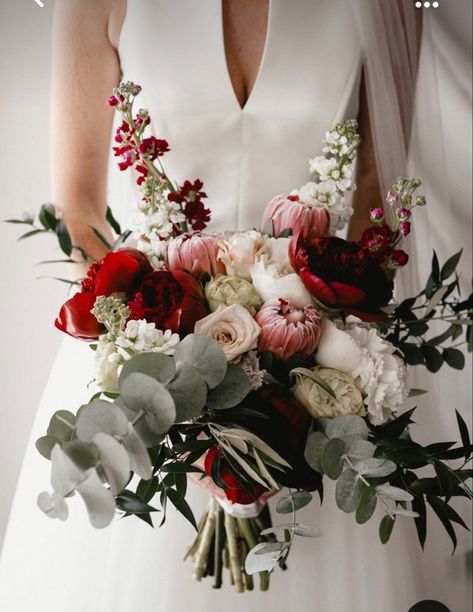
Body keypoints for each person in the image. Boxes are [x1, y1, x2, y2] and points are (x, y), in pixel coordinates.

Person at [0, 1, 470, 611]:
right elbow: (79, 213)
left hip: (314, 369)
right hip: (145, 359)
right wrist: (168, 383)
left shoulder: (386, 7)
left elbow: (375, 218)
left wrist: (294, 387)